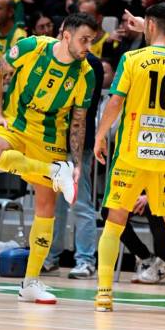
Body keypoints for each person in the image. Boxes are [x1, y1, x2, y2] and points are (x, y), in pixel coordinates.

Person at [0, 13, 98, 304]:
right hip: (17, 126)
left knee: (46, 210)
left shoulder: (86, 74)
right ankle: (54, 171)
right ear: (66, 36)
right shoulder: (33, 47)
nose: (88, 47)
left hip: (50, 139)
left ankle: (30, 283)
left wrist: (77, 164)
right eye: (84, 39)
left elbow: (78, 121)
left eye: (92, 41)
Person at [92, 3, 165, 314]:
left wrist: (100, 137)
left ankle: (103, 295)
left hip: (130, 155)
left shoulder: (132, 59)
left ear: (149, 25)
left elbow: (115, 104)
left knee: (115, 223)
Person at [44, 41, 104, 280]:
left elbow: (80, 106)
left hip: (78, 143)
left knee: (80, 202)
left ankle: (86, 260)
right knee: (51, 203)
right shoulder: (51, 59)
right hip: (51, 141)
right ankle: (49, 257)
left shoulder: (92, 64)